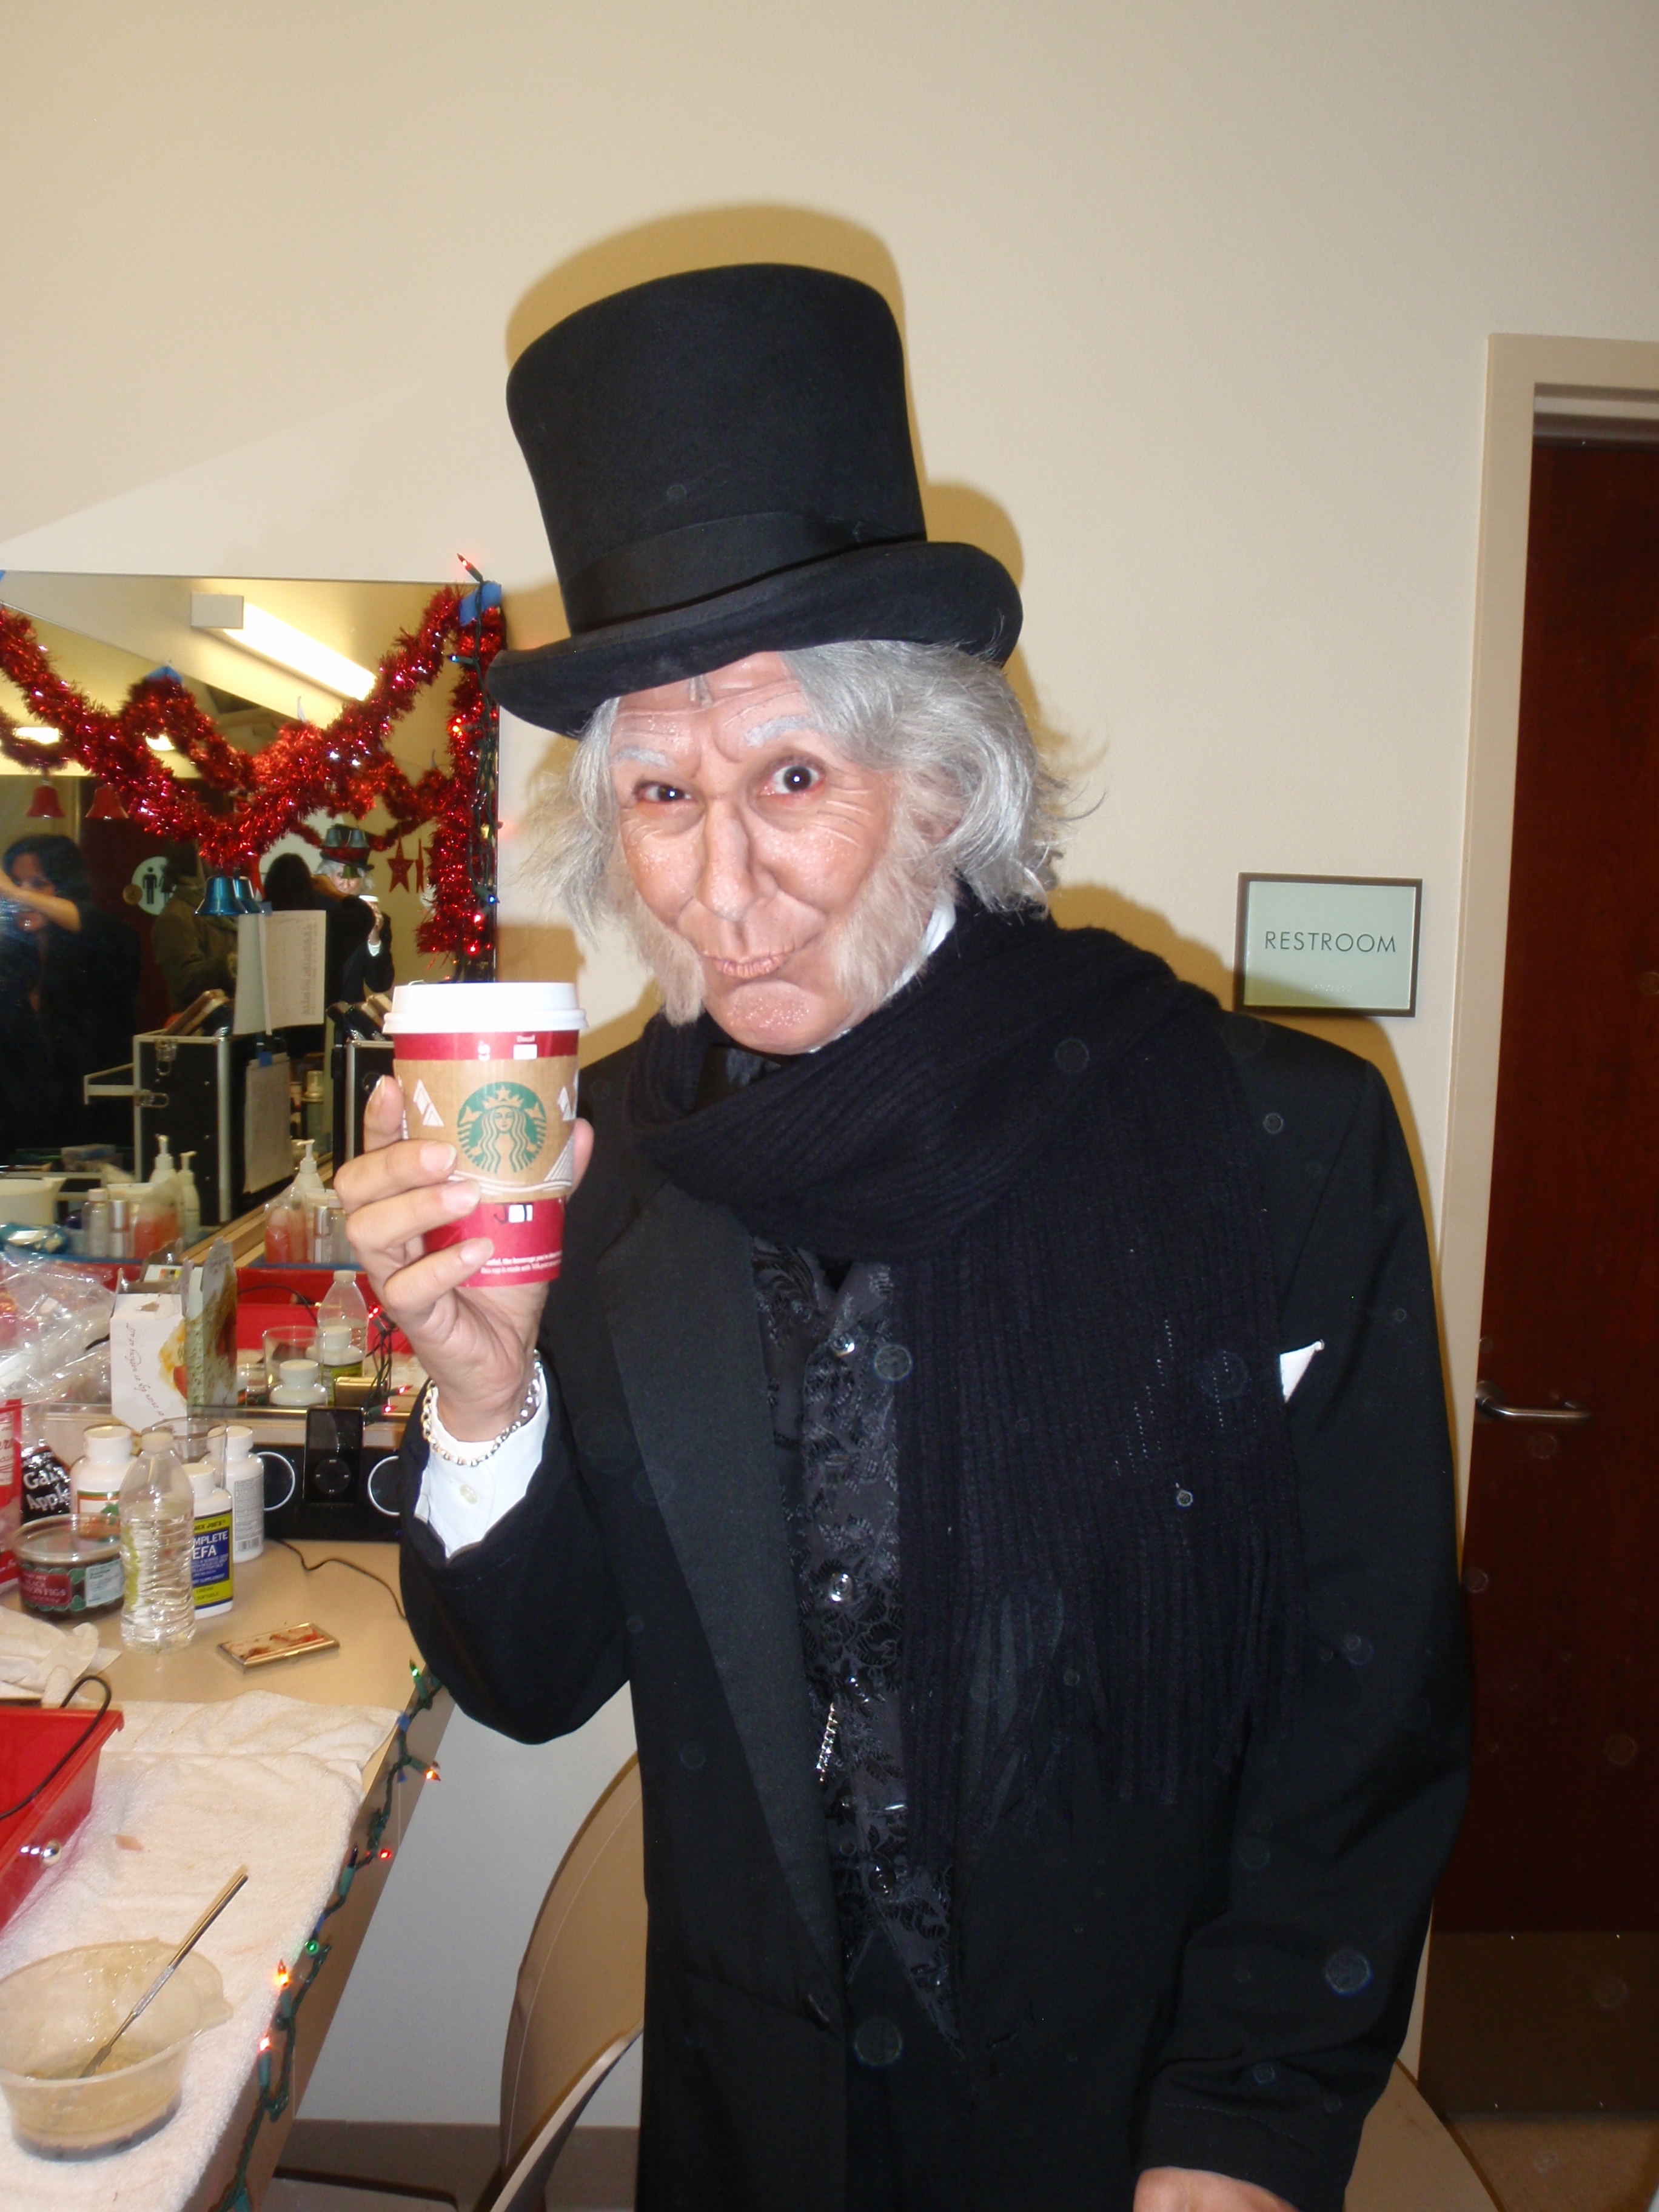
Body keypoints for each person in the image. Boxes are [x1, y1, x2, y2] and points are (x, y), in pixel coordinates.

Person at [337, 267, 1467, 2212]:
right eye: (664, 796)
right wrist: (481, 1395)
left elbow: (1362, 1696)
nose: (723, 888)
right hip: (758, 2134)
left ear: (945, 785)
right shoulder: (605, 1169)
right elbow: (531, 1678)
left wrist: (1252, 2122)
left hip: (1130, 2123)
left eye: (791, 778)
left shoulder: (1269, 1139)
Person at [0, 831, 140, 1156]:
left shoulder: (103, 945)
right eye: (17, 884)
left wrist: (12, 892)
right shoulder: (12, 961)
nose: (23, 899)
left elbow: (100, 927)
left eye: (38, 884)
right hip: (20, 1142)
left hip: (93, 1133)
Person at [149, 843, 236, 1011]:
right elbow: (186, 981)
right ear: (197, 862)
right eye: (214, 853)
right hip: (206, 1023)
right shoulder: (175, 918)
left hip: (235, 1018)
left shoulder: (224, 906)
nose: (223, 861)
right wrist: (229, 966)